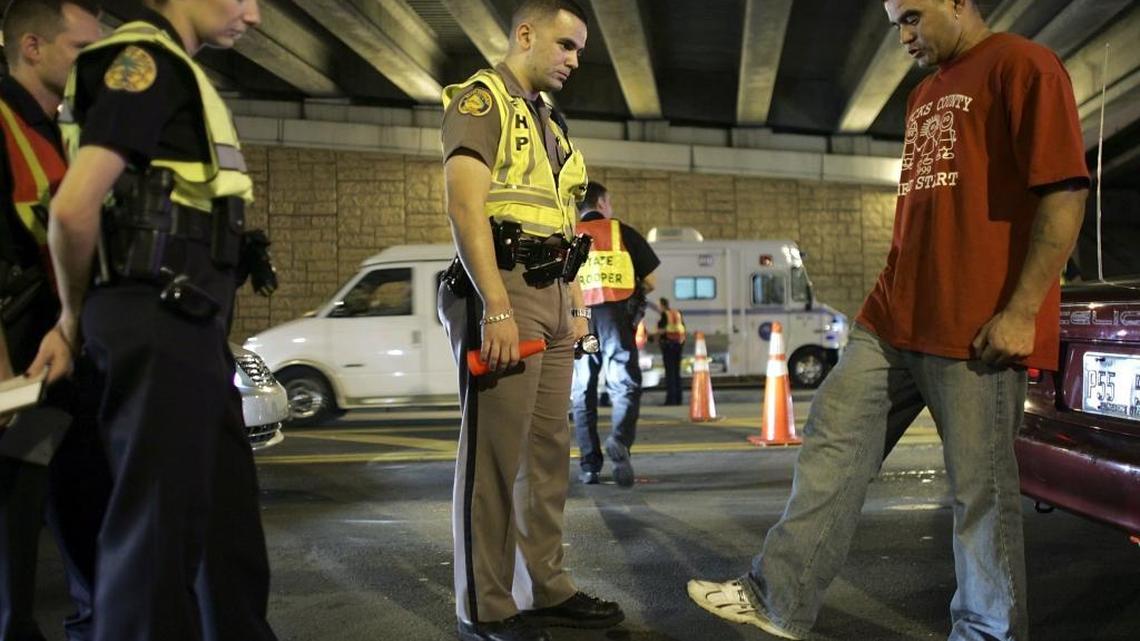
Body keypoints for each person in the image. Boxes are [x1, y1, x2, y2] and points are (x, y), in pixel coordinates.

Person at [687, 1, 1090, 640]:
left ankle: (988, 633)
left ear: (959, 1)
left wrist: (1020, 312)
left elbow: (1065, 192)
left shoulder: (1023, 65)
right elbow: (917, 220)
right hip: (893, 320)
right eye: (894, 22)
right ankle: (778, 598)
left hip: (977, 329)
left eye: (912, 16)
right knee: (831, 446)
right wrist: (879, 302)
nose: (903, 35)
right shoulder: (925, 93)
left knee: (978, 496)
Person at [27, 2, 278, 641]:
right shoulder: (142, 61)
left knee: (226, 532)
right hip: (156, 317)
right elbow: (74, 209)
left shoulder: (178, 72)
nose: (253, 14)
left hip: (186, 323)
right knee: (155, 537)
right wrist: (71, 319)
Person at [437, 1, 625, 639]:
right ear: (525, 34)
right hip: (504, 290)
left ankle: (543, 586)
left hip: (551, 292)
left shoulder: (550, 122)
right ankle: (485, 606)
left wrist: (574, 304)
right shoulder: (483, 100)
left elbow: (565, 222)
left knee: (547, 456)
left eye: (579, 49)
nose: (574, 60)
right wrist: (495, 305)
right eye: (566, 45)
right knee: (493, 458)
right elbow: (465, 207)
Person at [0, 2, 101, 640]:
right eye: (78, 47)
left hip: (64, 363)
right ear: (32, 47)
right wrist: (3, 381)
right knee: (14, 533)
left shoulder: (58, 130)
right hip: (21, 369)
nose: (90, 62)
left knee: (84, 513)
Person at [570, 181, 658, 486]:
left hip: (580, 321)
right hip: (615, 319)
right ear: (603, 203)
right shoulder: (621, 232)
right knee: (625, 386)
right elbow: (651, 282)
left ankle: (589, 466)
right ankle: (619, 442)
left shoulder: (569, 235)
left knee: (583, 393)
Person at [656, 297, 685, 406]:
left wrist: (656, 333)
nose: (658, 307)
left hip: (668, 346)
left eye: (658, 305)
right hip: (679, 344)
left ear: (662, 305)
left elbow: (662, 330)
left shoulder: (664, 315)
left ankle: (671, 400)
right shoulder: (677, 313)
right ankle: (678, 399)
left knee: (670, 374)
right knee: (677, 373)